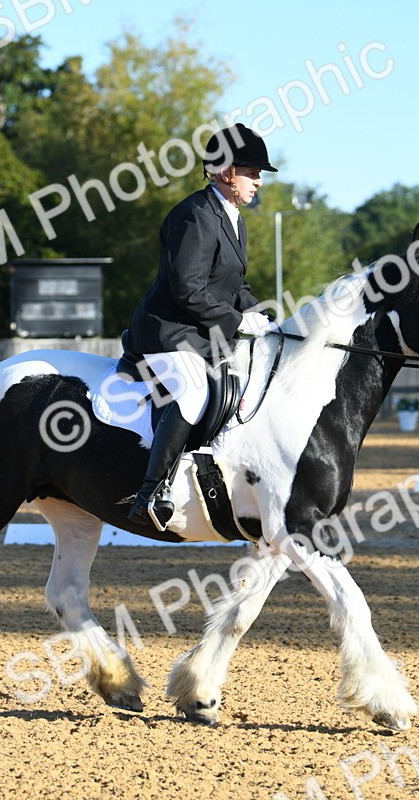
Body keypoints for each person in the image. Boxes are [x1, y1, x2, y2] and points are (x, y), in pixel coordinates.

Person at [124, 123, 279, 529]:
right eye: (252, 173)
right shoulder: (193, 215)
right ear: (226, 172)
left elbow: (234, 284)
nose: (259, 182)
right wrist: (236, 320)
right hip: (168, 331)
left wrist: (264, 316)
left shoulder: (233, 217)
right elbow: (187, 288)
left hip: (201, 332)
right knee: (193, 393)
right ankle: (150, 492)